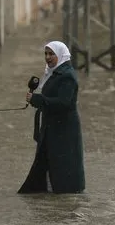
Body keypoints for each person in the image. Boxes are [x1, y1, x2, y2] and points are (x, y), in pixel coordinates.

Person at [18, 41, 85, 194]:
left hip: (64, 130)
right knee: (46, 160)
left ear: (60, 55)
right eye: (46, 54)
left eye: (51, 54)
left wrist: (37, 100)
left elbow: (64, 103)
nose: (47, 57)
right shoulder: (54, 72)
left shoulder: (67, 76)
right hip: (52, 126)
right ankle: (46, 193)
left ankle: (65, 196)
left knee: (62, 164)